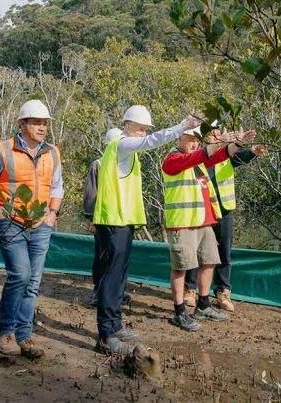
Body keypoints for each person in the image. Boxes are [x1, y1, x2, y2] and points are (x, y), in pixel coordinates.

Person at [92, 105, 201, 355]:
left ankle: (115, 325)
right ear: (127, 125)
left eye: (145, 130)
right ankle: (106, 335)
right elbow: (151, 142)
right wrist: (180, 127)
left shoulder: (127, 152)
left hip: (124, 220)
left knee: (119, 276)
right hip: (113, 220)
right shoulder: (120, 144)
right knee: (111, 276)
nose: (143, 134)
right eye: (140, 129)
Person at [0, 99, 63, 359]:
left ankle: (24, 336)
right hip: (11, 222)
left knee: (33, 281)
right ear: (22, 124)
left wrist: (52, 214)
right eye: (36, 122)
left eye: (45, 123)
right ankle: (5, 331)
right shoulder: (3, 150)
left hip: (40, 224)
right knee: (20, 275)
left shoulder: (52, 153)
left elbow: (57, 186)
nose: (42, 127)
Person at [161, 127, 256, 331]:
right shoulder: (172, 159)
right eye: (190, 140)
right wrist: (220, 142)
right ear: (179, 138)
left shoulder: (198, 160)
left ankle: (203, 305)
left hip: (204, 222)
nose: (194, 144)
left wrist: (236, 143)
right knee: (181, 267)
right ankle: (179, 312)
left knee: (209, 261)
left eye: (196, 140)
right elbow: (202, 155)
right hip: (183, 222)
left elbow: (221, 156)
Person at [183, 135, 268, 311]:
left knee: (223, 253)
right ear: (204, 138)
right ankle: (190, 290)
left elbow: (240, 156)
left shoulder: (226, 155)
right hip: (202, 211)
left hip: (223, 210)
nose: (216, 137)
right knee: (196, 252)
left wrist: (253, 151)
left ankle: (223, 291)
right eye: (212, 134)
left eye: (218, 133)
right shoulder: (198, 155)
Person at [83, 128, 130, 307]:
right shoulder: (99, 164)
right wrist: (93, 220)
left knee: (120, 257)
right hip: (103, 219)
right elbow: (92, 193)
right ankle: (98, 291)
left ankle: (118, 291)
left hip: (122, 218)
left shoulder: (124, 165)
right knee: (102, 256)